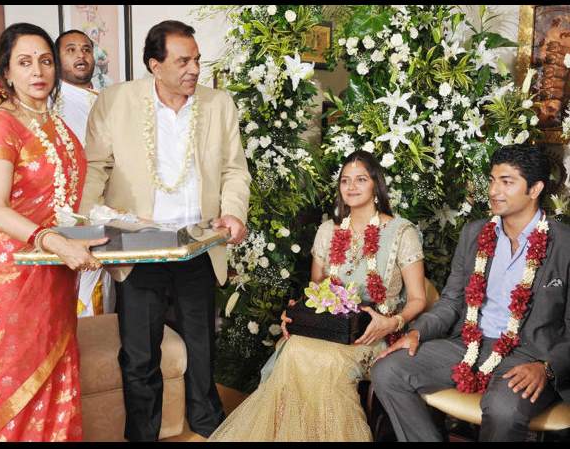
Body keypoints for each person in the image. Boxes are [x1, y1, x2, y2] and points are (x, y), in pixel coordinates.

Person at [79, 20, 251, 441]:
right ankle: (143, 432)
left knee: (201, 345)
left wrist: (233, 212)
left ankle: (208, 426)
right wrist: (83, 227)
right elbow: (94, 168)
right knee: (139, 352)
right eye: (183, 61)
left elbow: (234, 169)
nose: (194, 69)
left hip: (197, 243)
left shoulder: (218, 104)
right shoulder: (116, 101)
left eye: (197, 60)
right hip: (138, 247)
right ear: (155, 65)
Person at [208, 150, 427, 442]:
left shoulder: (401, 232)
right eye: (345, 180)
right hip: (327, 329)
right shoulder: (328, 230)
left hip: (373, 333)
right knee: (294, 350)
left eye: (361, 179)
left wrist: (393, 322)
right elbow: (316, 290)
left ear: (377, 185)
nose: (351, 186)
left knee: (328, 364)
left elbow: (418, 299)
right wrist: (297, 316)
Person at [371, 144, 570, 442]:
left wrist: (547, 368)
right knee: (387, 371)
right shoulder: (474, 233)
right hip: (469, 344)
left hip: (530, 356)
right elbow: (451, 301)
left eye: (506, 182)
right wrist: (416, 333)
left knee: (503, 409)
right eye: (492, 180)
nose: (493, 191)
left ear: (535, 189)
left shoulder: (564, 244)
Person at [0, 22, 106, 442]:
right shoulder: (1, 125)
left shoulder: (58, 125)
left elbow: (61, 203)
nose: (38, 71)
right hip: (10, 269)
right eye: (25, 62)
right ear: (6, 72)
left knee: (55, 372)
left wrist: (90, 231)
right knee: (11, 374)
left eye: (45, 61)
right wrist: (52, 241)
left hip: (54, 265)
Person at [54, 29, 115, 318]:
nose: (81, 55)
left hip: (105, 209)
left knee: (102, 293)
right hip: (67, 214)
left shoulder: (107, 99)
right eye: (71, 50)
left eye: (86, 49)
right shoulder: (52, 102)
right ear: (57, 60)